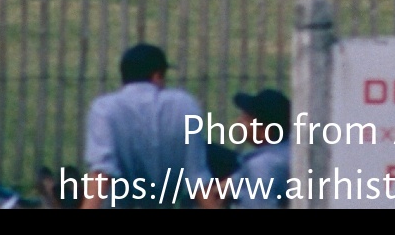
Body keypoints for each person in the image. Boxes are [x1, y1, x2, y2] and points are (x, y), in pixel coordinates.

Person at [81, 43, 220, 209]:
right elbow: (197, 177)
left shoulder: (104, 109)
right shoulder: (185, 106)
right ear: (157, 76)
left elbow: (102, 173)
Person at [229, 88, 291, 209]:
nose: (239, 121)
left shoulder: (260, 167)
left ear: (264, 132)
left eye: (246, 119)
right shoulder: (289, 152)